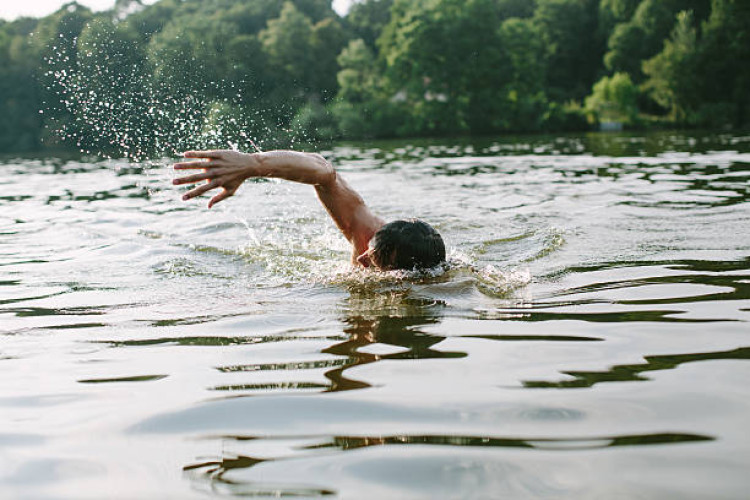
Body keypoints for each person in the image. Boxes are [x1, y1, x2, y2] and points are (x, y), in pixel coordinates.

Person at [172, 150, 446, 271]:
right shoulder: (368, 232)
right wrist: (254, 164)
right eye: (368, 249)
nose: (360, 258)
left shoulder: (432, 284)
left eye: (373, 261)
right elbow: (325, 172)